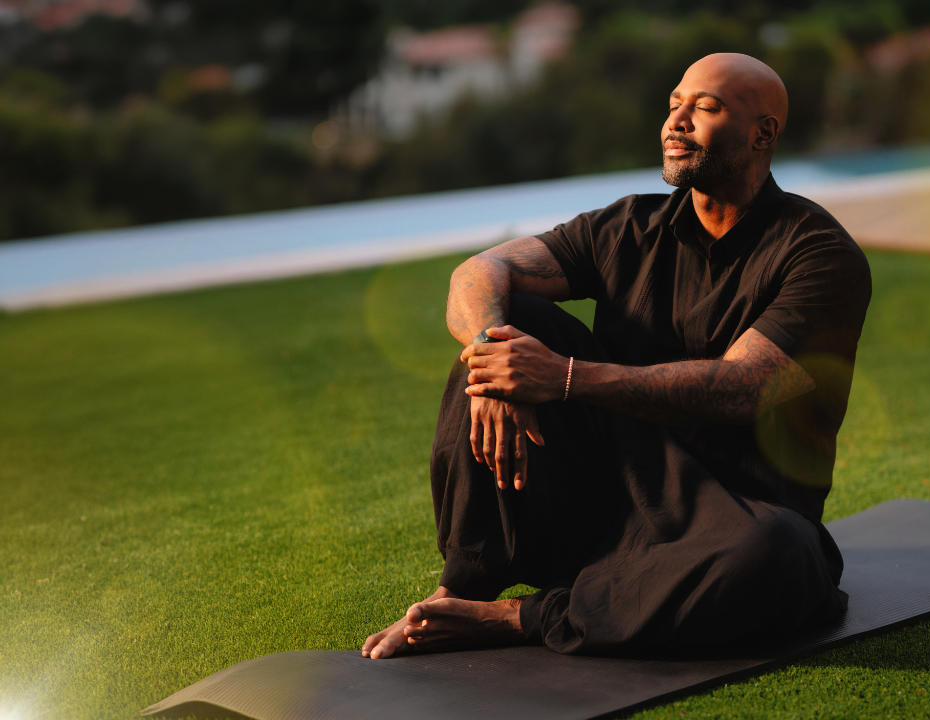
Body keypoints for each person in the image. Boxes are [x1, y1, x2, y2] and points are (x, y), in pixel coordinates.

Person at [361, 52, 872, 658]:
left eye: (706, 108)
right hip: (609, 492)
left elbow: (743, 388)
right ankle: (458, 589)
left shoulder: (819, 254)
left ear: (763, 133)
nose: (676, 121)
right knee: (509, 324)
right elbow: (479, 271)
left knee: (779, 556)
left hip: (730, 515)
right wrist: (492, 358)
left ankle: (516, 616)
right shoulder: (629, 224)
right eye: (674, 104)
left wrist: (565, 377)